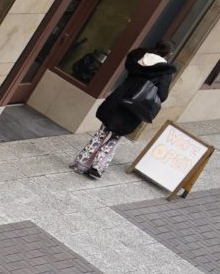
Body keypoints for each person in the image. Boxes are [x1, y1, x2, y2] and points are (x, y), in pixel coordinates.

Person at [73, 46, 173, 178]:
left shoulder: (138, 58)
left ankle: (81, 163)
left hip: (118, 98)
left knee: (101, 133)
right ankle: (96, 167)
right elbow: (162, 95)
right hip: (133, 107)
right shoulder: (164, 71)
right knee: (115, 137)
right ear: (169, 54)